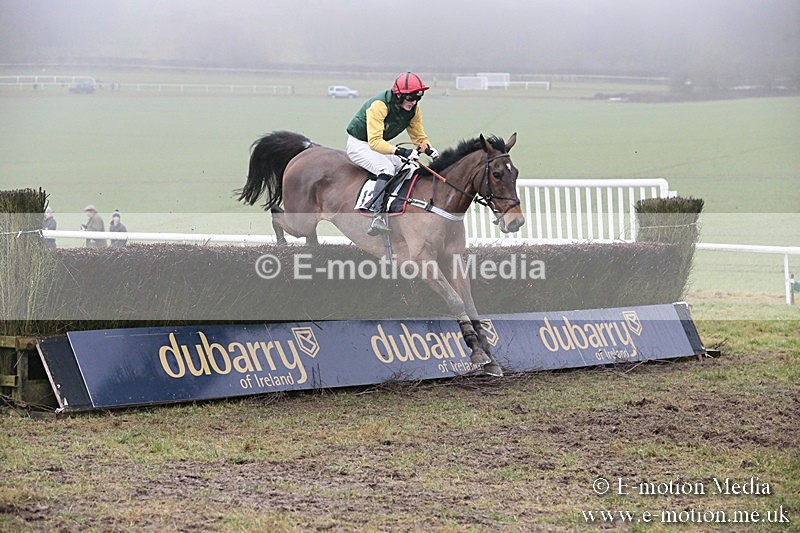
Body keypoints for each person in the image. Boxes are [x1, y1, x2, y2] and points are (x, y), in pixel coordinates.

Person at [346, 72, 440, 236]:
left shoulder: (414, 110)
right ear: (398, 95)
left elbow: (419, 137)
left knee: (410, 168)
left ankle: (397, 205)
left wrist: (428, 148)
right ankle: (378, 216)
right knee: (386, 168)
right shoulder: (379, 106)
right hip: (359, 143)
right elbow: (375, 142)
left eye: (418, 97)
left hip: (378, 144)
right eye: (410, 97)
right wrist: (402, 151)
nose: (414, 102)